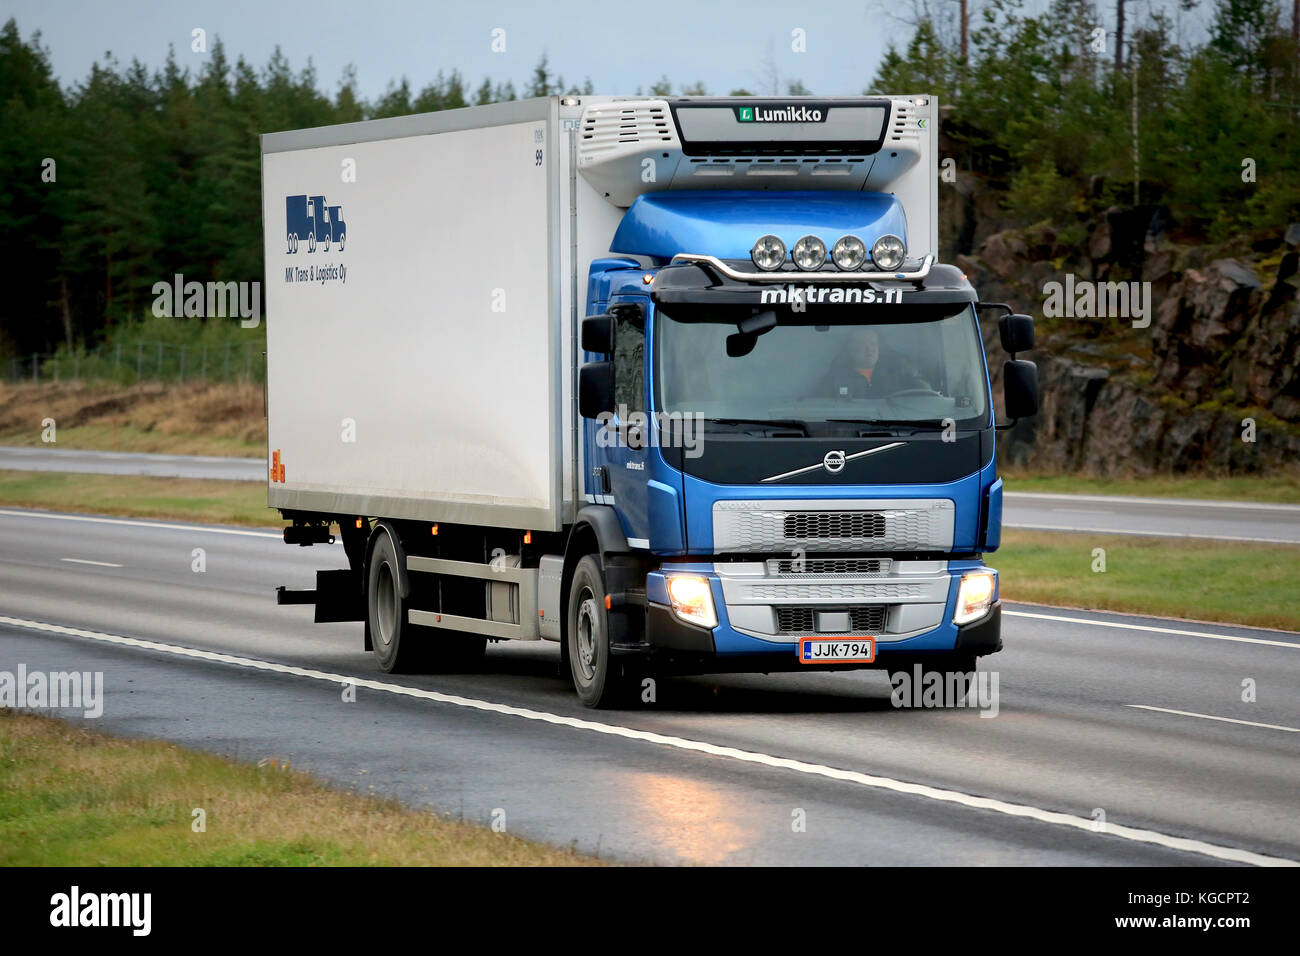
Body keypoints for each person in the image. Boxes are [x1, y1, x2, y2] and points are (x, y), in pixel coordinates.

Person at [821, 327, 931, 398]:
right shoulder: (836, 378)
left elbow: (927, 395)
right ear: (850, 349)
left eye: (873, 344)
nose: (870, 349)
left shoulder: (900, 370)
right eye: (863, 344)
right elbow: (820, 408)